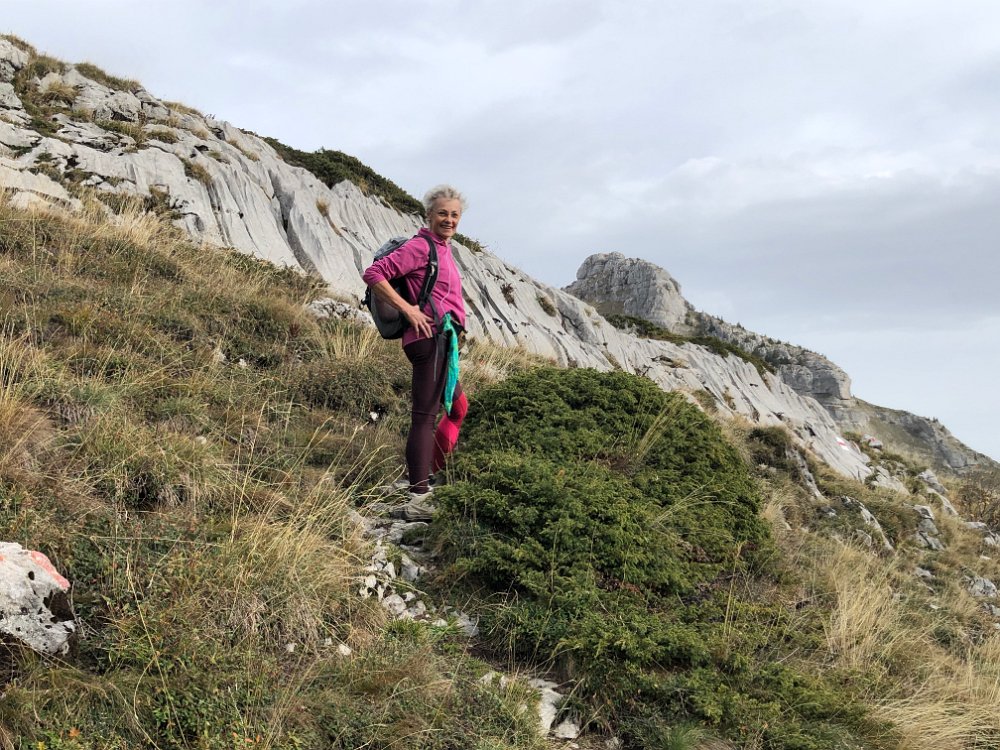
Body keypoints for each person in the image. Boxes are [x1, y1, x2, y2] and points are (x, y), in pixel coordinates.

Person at [361, 185, 469, 521]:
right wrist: (408, 310)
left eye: (454, 214)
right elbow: (374, 274)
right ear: (429, 215)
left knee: (458, 408)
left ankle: (425, 476)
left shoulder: (444, 249)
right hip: (428, 339)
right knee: (424, 417)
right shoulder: (421, 246)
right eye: (442, 213)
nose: (449, 219)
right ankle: (419, 496)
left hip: (444, 342)